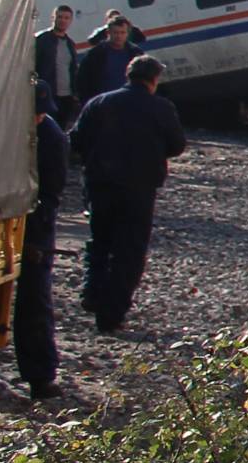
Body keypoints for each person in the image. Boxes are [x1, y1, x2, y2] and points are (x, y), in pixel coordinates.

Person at [0, 83, 66, 403]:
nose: (36, 118)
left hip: (34, 228)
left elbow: (50, 195)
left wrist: (29, 239)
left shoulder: (52, 139)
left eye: (40, 114)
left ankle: (40, 378)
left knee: (33, 305)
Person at [70, 54, 187, 333]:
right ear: (153, 80)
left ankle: (93, 291)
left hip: (100, 184)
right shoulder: (162, 108)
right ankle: (112, 314)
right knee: (129, 252)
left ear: (128, 74)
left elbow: (76, 140)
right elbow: (177, 145)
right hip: (139, 188)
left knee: (100, 242)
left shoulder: (99, 103)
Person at [75, 11, 138, 106]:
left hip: (130, 103)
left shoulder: (135, 53)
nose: (119, 36)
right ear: (108, 33)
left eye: (122, 32)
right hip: (104, 105)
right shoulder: (95, 54)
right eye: (116, 33)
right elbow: (82, 81)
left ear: (127, 34)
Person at [34, 3, 80, 126]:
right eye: (60, 17)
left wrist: (75, 93)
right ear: (53, 18)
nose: (63, 21)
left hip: (67, 96)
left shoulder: (70, 43)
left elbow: (73, 69)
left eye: (66, 18)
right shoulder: (41, 40)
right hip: (48, 95)